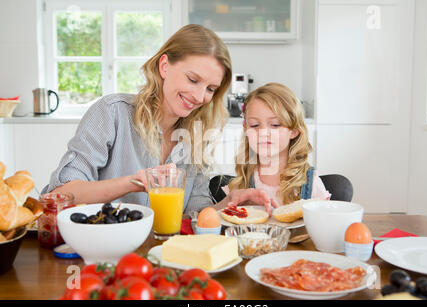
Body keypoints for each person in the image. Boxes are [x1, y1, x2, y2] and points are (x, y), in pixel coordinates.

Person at [42, 24, 276, 214]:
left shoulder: (195, 135)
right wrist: (135, 182)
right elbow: (60, 194)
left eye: (210, 88)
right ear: (164, 66)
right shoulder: (113, 113)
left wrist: (229, 204)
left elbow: (195, 216)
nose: (199, 96)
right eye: (193, 79)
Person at [224, 82, 331, 208]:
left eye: (275, 125)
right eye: (254, 125)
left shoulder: (311, 184)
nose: (263, 133)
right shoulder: (240, 184)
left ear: (294, 130)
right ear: (246, 129)